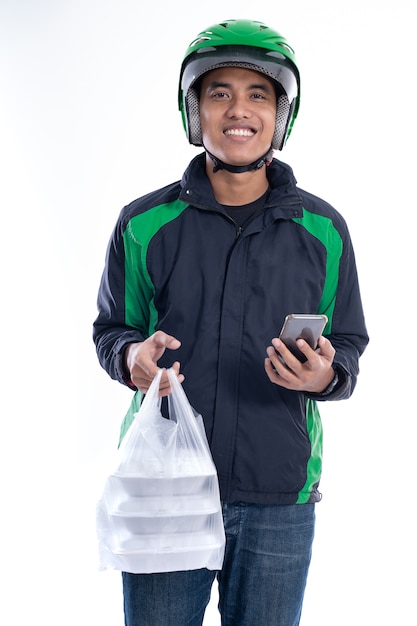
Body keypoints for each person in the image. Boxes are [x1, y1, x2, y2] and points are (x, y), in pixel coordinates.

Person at [93, 18, 369, 626]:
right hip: (165, 486)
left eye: (258, 94)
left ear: (281, 114)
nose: (238, 110)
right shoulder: (144, 224)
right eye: (219, 92)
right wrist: (130, 357)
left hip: (278, 491)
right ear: (194, 109)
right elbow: (112, 328)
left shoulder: (322, 231)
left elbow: (348, 342)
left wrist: (324, 375)